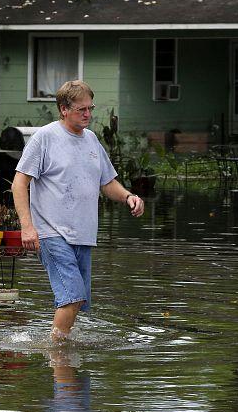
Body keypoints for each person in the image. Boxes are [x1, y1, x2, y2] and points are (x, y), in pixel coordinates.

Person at [12, 80, 144, 341]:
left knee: (76, 302)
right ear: (63, 109)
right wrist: (27, 227)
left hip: (83, 235)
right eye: (81, 109)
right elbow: (19, 183)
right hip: (51, 233)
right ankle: (57, 356)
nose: (88, 114)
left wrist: (129, 196)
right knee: (72, 297)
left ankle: (61, 356)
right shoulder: (45, 138)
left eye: (90, 108)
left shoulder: (92, 140)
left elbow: (106, 183)